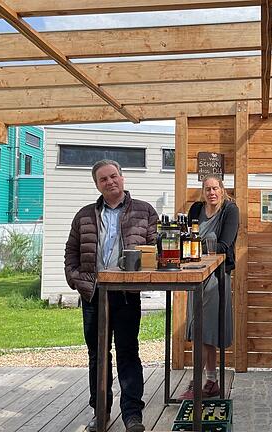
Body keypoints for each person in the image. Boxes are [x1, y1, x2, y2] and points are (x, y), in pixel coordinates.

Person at [64, 159, 158, 432]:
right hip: (94, 293)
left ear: (122, 178)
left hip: (126, 293)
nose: (110, 182)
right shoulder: (84, 215)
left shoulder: (144, 211)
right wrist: (75, 279)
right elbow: (71, 251)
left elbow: (153, 249)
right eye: (103, 179)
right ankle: (101, 412)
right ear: (97, 184)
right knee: (97, 355)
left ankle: (132, 415)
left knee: (128, 352)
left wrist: (136, 275)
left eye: (113, 176)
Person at [178, 175, 238, 399]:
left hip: (216, 278)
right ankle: (211, 382)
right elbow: (183, 239)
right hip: (194, 277)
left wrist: (195, 245)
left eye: (215, 188)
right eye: (207, 189)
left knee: (207, 330)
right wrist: (197, 245)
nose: (211, 192)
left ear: (222, 190)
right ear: (202, 191)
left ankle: (196, 384)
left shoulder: (230, 211)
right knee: (201, 332)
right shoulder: (195, 210)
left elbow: (224, 245)